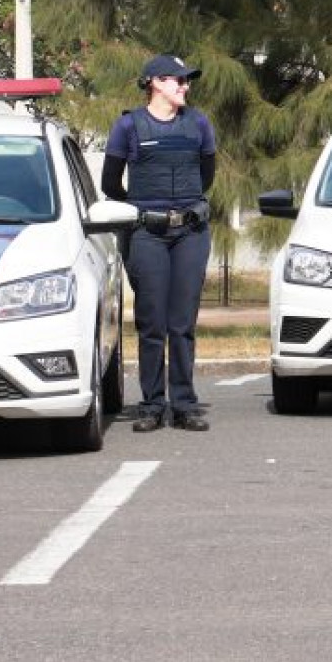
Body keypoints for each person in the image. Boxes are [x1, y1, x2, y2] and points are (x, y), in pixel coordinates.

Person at [102, 54, 218, 433]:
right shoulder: (128, 126)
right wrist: (142, 212)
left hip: (190, 233)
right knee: (152, 323)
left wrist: (183, 209)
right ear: (155, 82)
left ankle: (184, 403)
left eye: (187, 81)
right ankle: (152, 404)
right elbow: (110, 184)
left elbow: (206, 176)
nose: (185, 86)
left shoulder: (198, 123)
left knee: (181, 323)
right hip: (147, 234)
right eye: (178, 80)